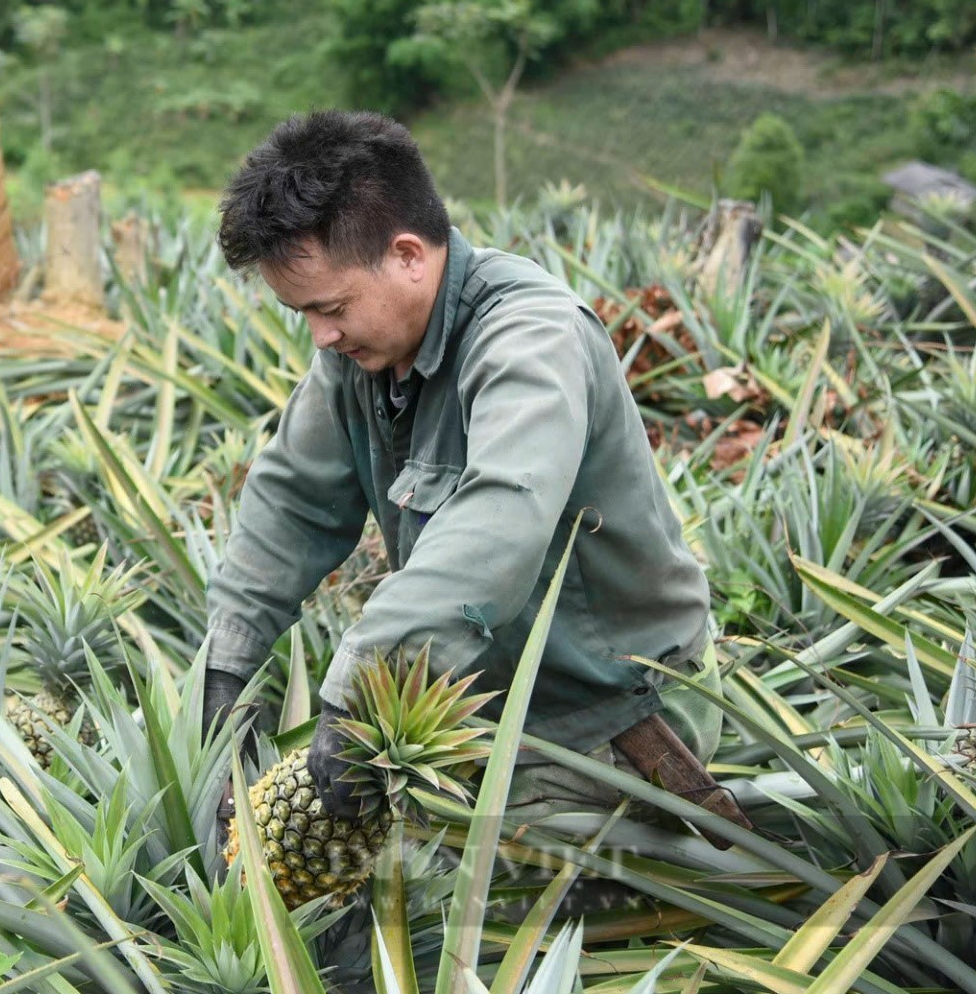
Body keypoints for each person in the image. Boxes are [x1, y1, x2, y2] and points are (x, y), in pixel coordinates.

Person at [199, 110, 742, 839]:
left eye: (329, 308)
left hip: (603, 720)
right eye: (305, 315)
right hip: (480, 706)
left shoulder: (531, 339)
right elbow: (292, 499)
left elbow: (501, 517)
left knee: (406, 901)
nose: (320, 335)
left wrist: (354, 692)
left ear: (408, 256)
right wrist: (226, 665)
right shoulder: (360, 357)